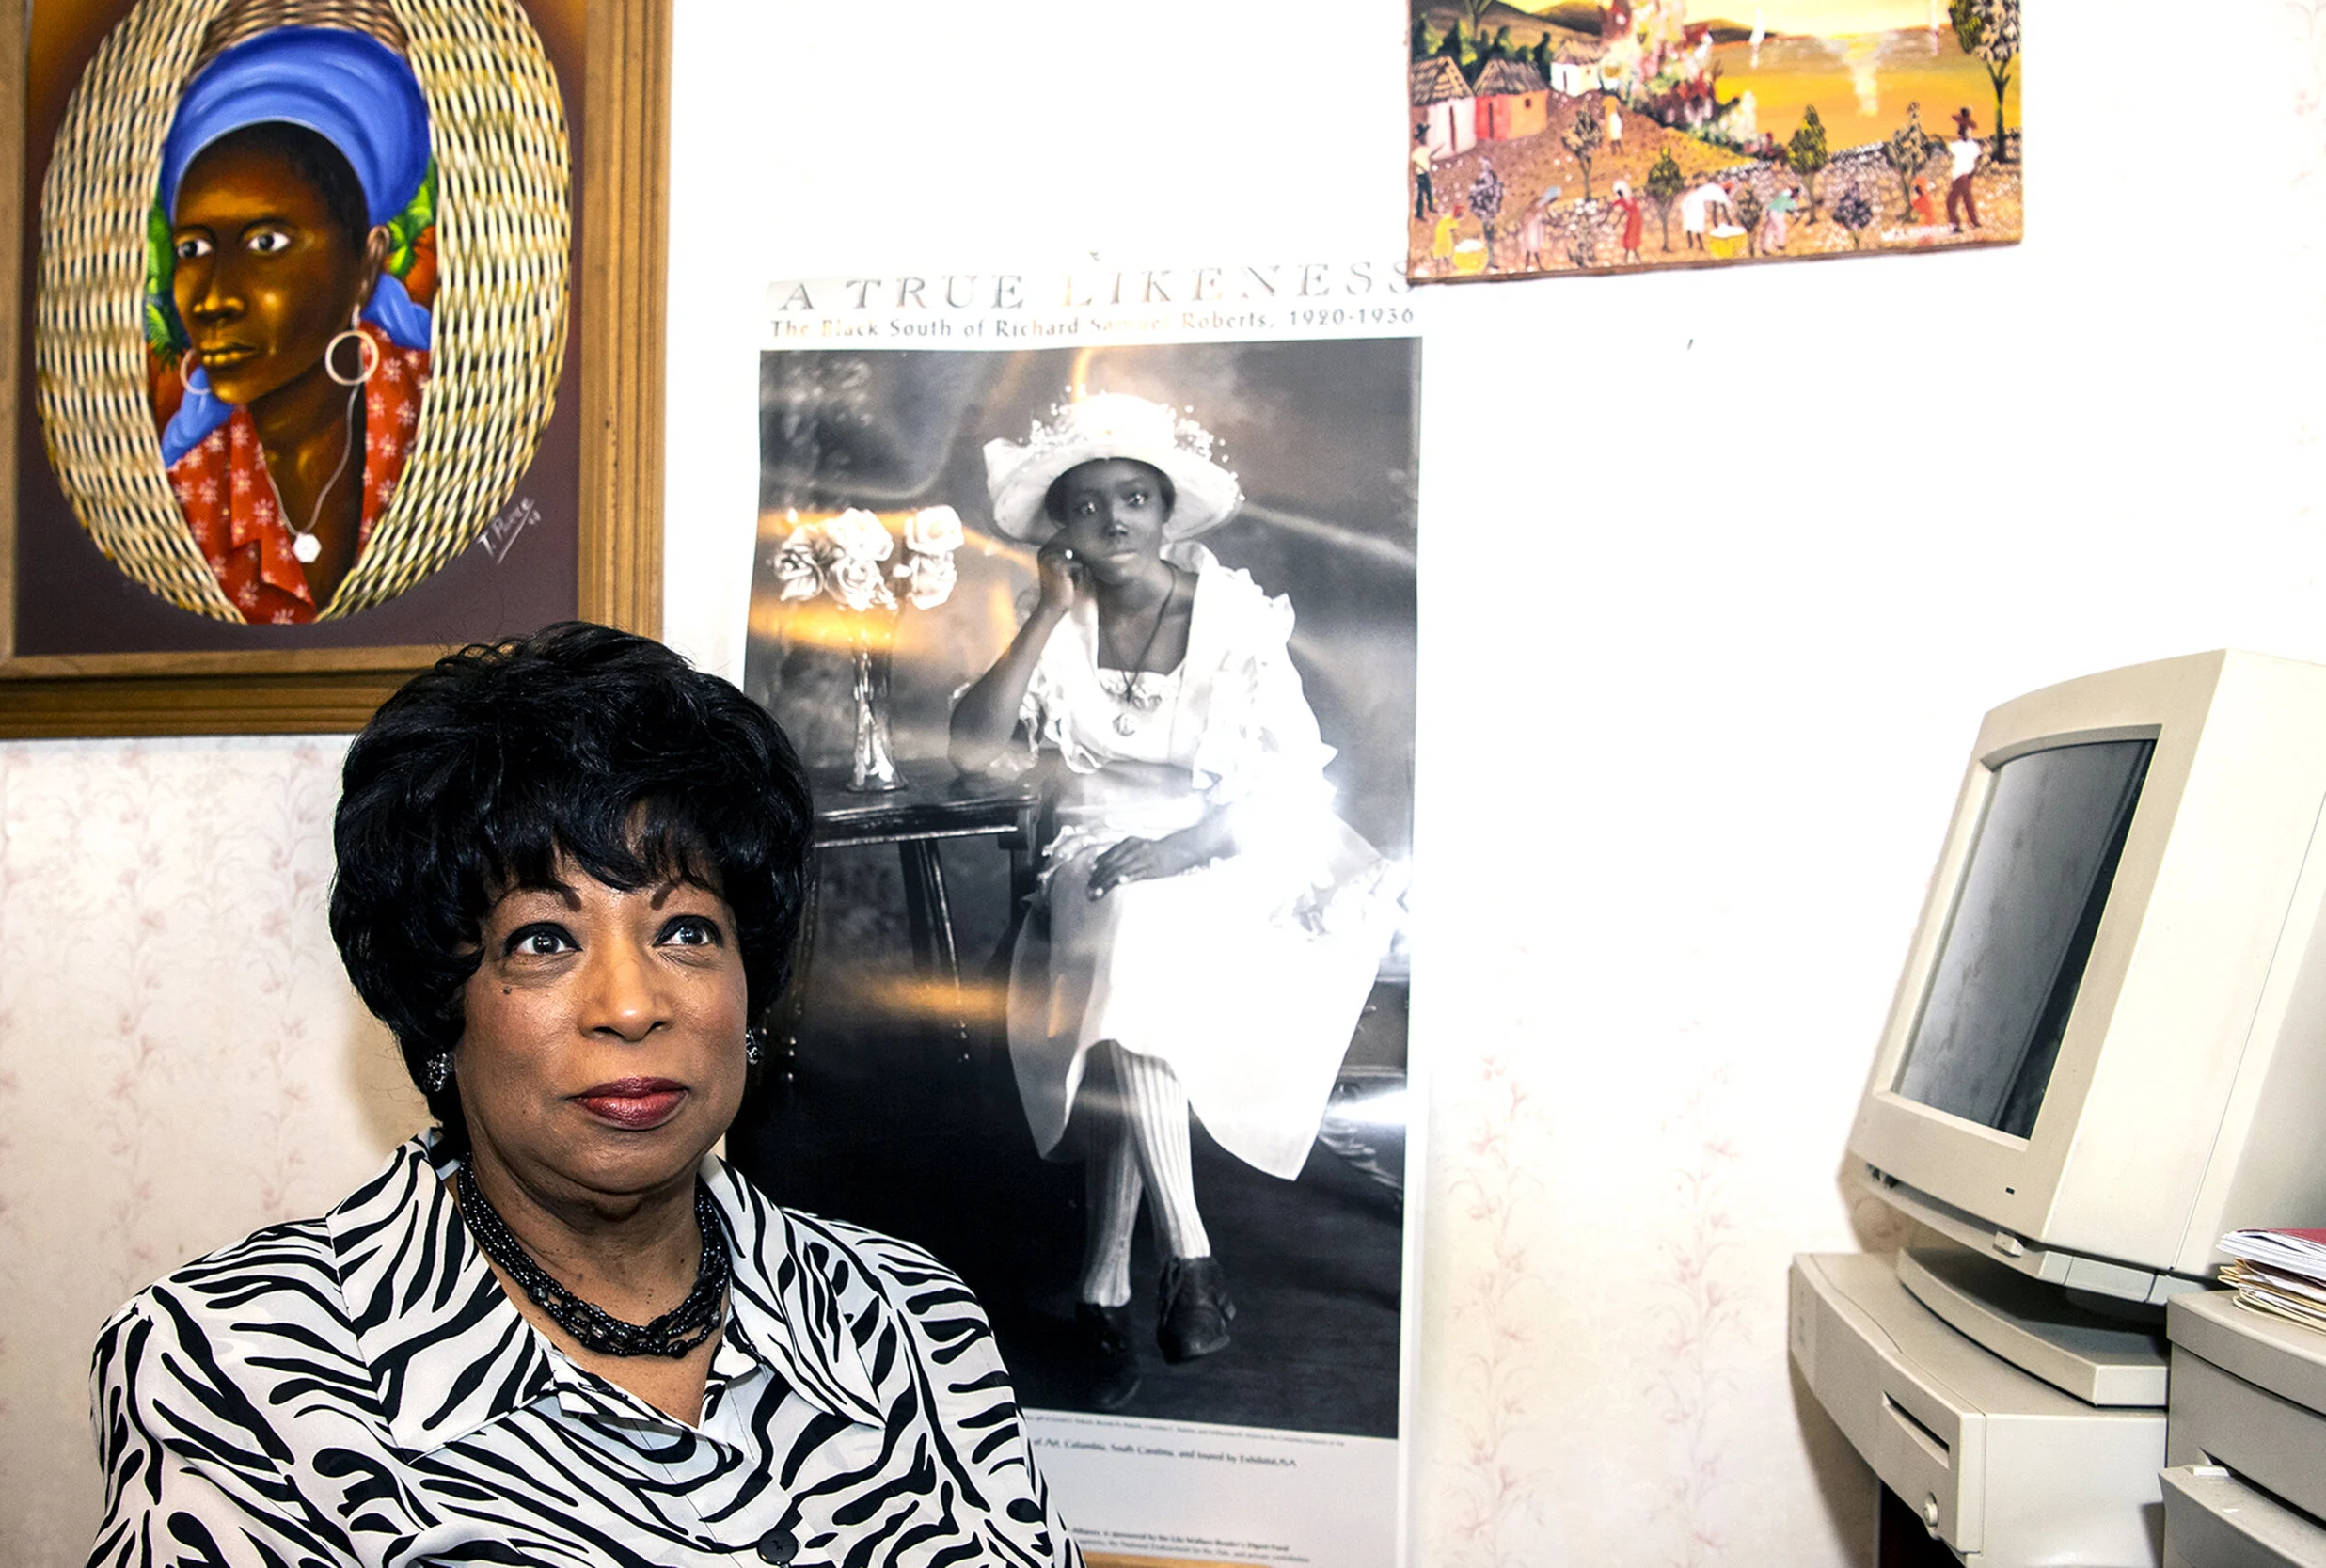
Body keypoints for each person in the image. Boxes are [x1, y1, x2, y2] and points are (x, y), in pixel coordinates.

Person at [89, 625, 1081, 1565]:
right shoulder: (237, 1359)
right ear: (443, 1006)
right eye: (543, 939)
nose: (631, 1003)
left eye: (686, 929)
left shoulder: (910, 1312)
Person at [948, 394, 1396, 1412]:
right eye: (1088, 503)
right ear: (1060, 523)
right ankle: (1187, 1264)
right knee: (1130, 939)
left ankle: (1113, 1282)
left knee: (1134, 973)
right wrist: (1047, 616)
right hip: (1099, 850)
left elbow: (1288, 778)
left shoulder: (1233, 616)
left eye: (1135, 499)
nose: (1113, 521)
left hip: (1225, 847)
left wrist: (1190, 841)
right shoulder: (1057, 621)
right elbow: (971, 750)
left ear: (1166, 512)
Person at [154, 24, 437, 624]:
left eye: (266, 241)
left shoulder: (445, 419)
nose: (214, 299)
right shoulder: (185, 492)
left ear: (367, 262)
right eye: (193, 250)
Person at [1946, 120, 1983, 231]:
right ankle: (1974, 221)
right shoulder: (1971, 145)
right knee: (1967, 199)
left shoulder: (1964, 146)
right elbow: (1978, 160)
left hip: (1961, 176)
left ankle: (1956, 225)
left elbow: (1977, 160)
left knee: (1951, 201)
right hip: (1964, 176)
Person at [1611, 178, 1646, 262]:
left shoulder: (1627, 200)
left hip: (1634, 221)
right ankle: (1632, 260)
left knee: (1630, 241)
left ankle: (1628, 261)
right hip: (1633, 220)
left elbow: (1620, 209)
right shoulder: (1629, 200)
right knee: (1630, 242)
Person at [1412, 125, 1436, 219]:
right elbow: (1414, 161)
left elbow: (1430, 154)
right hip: (1421, 174)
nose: (1424, 139)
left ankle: (1430, 207)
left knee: (1429, 191)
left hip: (1425, 173)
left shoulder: (1426, 149)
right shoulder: (1417, 152)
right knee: (1421, 194)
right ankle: (1419, 214)